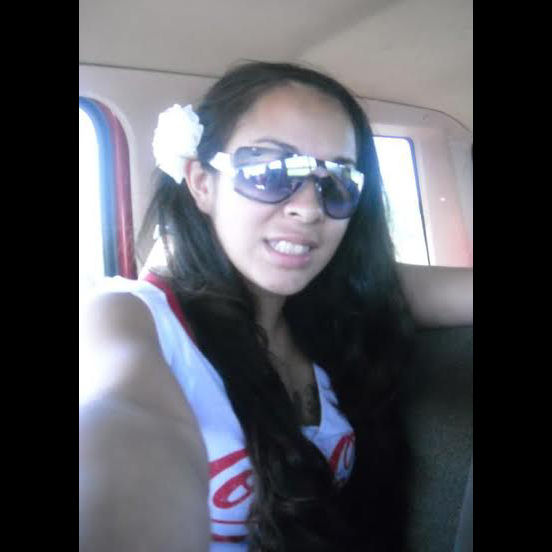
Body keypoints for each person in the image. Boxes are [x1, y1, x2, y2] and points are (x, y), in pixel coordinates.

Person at [79, 61, 472, 552]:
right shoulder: (128, 318)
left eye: (337, 181)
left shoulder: (335, 300)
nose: (309, 207)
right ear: (202, 183)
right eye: (268, 172)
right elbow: (120, 419)